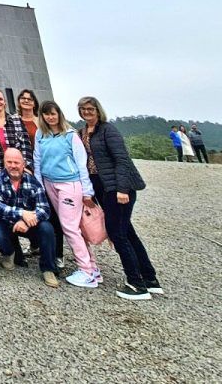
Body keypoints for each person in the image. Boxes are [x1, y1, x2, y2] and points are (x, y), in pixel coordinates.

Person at [79, 96, 162, 300]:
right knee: (128, 232)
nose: (87, 112)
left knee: (118, 234)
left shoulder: (108, 129)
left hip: (117, 189)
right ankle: (150, 279)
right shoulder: (83, 132)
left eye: (90, 109)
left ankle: (135, 284)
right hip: (102, 189)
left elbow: (122, 159)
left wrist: (123, 189)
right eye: (83, 109)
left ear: (98, 110)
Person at [34, 101, 99, 288]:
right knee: (73, 225)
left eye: (53, 114)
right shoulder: (41, 134)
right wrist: (40, 186)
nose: (50, 117)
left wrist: (87, 191)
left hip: (69, 183)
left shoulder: (71, 135)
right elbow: (37, 160)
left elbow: (81, 164)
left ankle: (86, 270)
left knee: (70, 227)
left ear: (59, 114)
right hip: (49, 183)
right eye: (46, 114)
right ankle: (92, 267)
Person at [0, 148, 59, 287]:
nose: (13, 165)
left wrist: (25, 220)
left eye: (16, 162)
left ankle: (48, 268)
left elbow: (44, 209)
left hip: (28, 224)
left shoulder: (33, 181)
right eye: (9, 162)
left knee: (47, 228)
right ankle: (10, 253)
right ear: (4, 162)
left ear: (23, 164)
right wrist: (21, 213)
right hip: (6, 223)